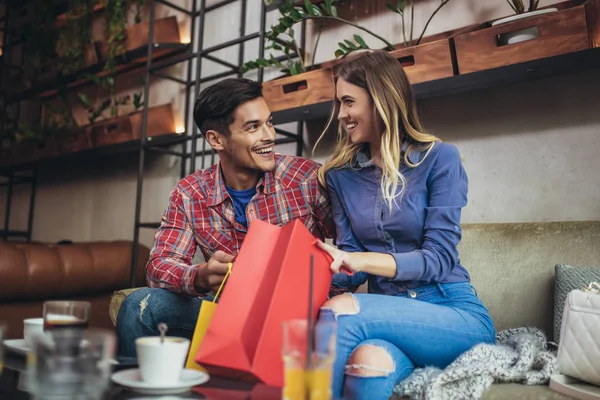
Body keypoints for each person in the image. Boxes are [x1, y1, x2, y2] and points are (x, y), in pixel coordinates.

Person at [314, 50, 496, 400]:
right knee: (368, 363)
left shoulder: (440, 159)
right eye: (338, 104)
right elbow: (349, 266)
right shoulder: (339, 176)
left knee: (340, 314)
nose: (341, 115)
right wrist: (300, 266)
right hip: (389, 320)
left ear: (380, 99)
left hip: (451, 312)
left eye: (348, 102)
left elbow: (439, 258)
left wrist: (362, 260)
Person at [116, 78, 336, 358]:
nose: (269, 135)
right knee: (139, 306)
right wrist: (201, 276)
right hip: (228, 314)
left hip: (299, 320)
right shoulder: (190, 194)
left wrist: (314, 292)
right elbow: (158, 266)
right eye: (253, 127)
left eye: (269, 122)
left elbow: (353, 249)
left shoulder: (304, 178)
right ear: (216, 139)